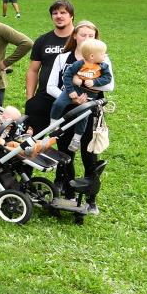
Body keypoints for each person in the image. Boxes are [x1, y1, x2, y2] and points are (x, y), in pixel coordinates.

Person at [46, 21, 113, 214]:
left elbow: (109, 85)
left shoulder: (103, 59)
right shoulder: (63, 58)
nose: (86, 38)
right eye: (83, 35)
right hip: (68, 110)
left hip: (91, 111)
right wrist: (72, 96)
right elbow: (51, 86)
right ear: (75, 36)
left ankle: (91, 199)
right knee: (66, 153)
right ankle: (68, 193)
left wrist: (84, 81)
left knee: (89, 154)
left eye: (91, 36)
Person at [24, 0, 76, 132]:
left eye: (63, 13)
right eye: (55, 13)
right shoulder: (42, 40)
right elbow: (33, 70)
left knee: (65, 139)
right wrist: (30, 99)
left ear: (71, 15)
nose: (58, 16)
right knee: (33, 137)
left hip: (71, 98)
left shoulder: (80, 40)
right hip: (44, 97)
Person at [50, 39, 111, 138]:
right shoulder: (79, 64)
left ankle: (77, 137)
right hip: (74, 90)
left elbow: (107, 78)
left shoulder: (103, 66)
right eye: (102, 54)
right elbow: (67, 75)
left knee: (83, 115)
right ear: (92, 56)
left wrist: (94, 82)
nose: (105, 56)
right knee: (58, 103)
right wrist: (70, 90)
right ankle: (53, 123)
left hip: (89, 94)